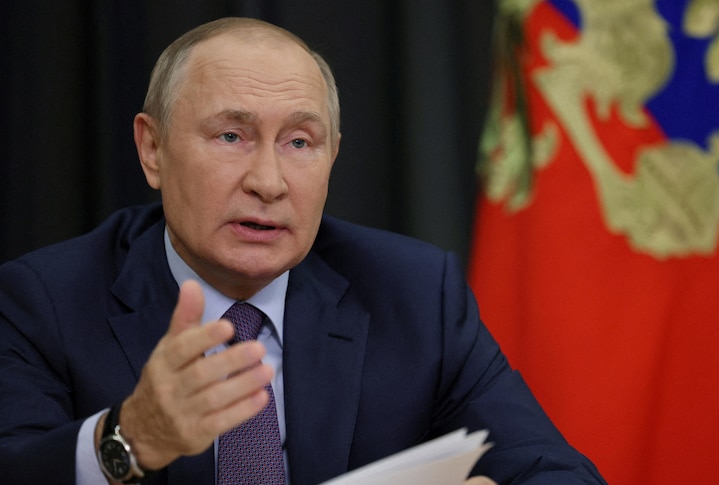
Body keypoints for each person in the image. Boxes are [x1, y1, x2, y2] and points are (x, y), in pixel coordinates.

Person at [0, 17, 606, 485]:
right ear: (152, 149)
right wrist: (129, 438)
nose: (269, 181)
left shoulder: (415, 295)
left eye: (299, 142)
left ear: (333, 157)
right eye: (232, 136)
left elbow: (557, 471)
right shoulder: (44, 301)